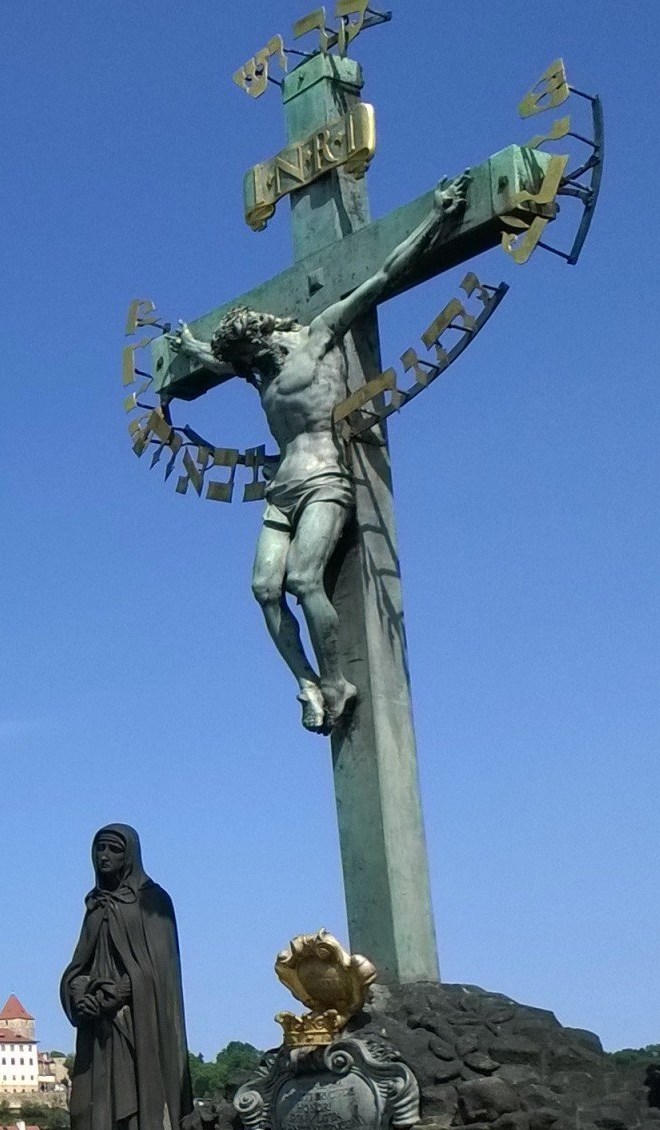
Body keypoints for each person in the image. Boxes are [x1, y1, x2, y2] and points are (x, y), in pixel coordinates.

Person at [160, 176, 470, 734]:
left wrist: (438, 219)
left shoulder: (317, 338)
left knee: (305, 582)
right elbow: (214, 360)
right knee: (263, 590)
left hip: (326, 475)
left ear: (263, 337)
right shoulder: (258, 373)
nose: (247, 365)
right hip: (283, 488)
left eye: (250, 353)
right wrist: (187, 348)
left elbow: (380, 278)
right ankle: (305, 681)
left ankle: (336, 681)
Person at [57, 823, 193, 1130]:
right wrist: (79, 993)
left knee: (138, 1115)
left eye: (113, 850)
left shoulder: (154, 902)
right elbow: (77, 966)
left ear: (130, 854)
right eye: (98, 850)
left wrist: (118, 992)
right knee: (88, 1113)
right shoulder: (95, 908)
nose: (104, 858)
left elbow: (161, 974)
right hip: (99, 1037)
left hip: (139, 1034)